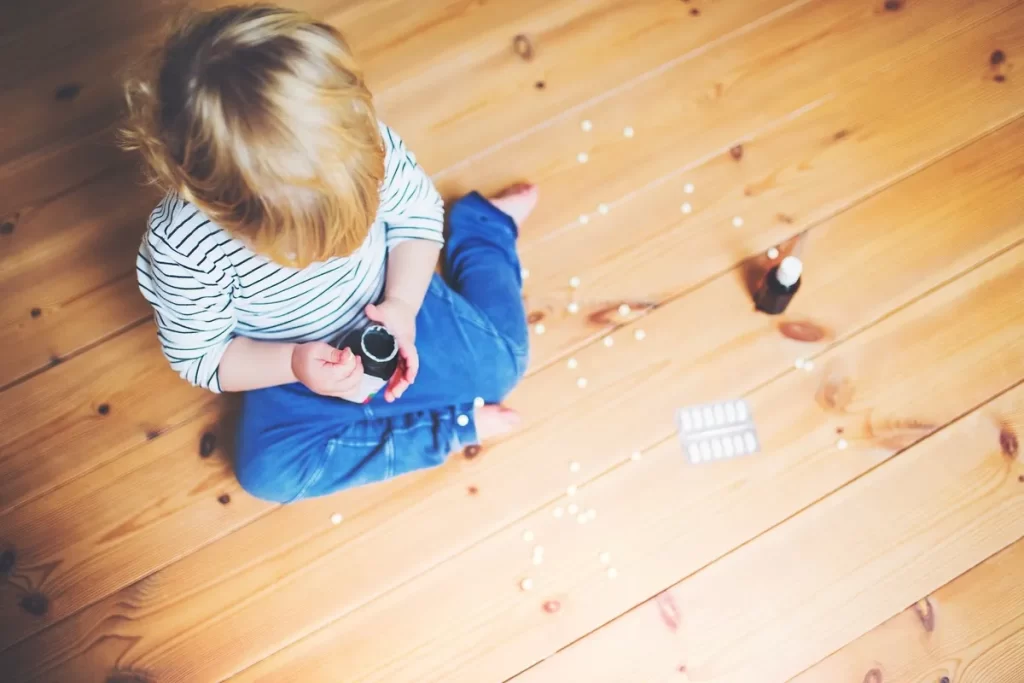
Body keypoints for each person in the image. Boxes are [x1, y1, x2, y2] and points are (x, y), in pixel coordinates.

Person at [122, 4, 533, 502]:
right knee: (266, 474)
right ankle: (442, 431)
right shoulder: (183, 248)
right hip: (289, 366)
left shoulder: (361, 145)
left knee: (504, 365)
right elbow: (203, 356)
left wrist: (402, 305)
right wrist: (294, 364)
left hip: (394, 301)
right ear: (214, 203)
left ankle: (483, 228)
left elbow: (416, 218)